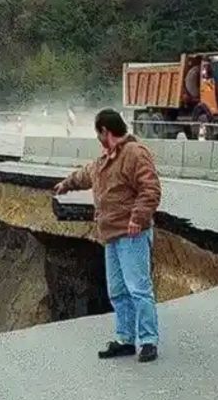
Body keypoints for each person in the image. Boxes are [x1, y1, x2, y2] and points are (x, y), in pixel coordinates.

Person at [54, 109, 163, 362]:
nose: (98, 139)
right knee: (118, 291)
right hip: (111, 235)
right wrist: (67, 184)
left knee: (139, 289)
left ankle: (148, 340)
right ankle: (125, 338)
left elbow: (150, 189)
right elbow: (87, 174)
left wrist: (138, 218)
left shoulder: (135, 154)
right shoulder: (106, 159)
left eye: (98, 133)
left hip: (131, 234)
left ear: (105, 131)